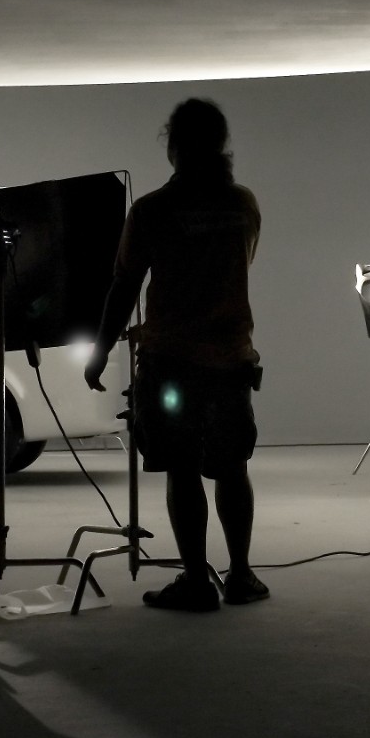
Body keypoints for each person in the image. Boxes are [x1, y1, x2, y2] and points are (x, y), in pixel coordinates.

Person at [84, 98, 268, 612]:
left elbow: (123, 287)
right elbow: (240, 263)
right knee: (232, 467)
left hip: (170, 361)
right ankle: (242, 575)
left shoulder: (152, 211)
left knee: (181, 469)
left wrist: (99, 353)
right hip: (231, 358)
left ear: (173, 146)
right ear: (222, 144)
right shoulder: (243, 205)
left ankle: (194, 580)